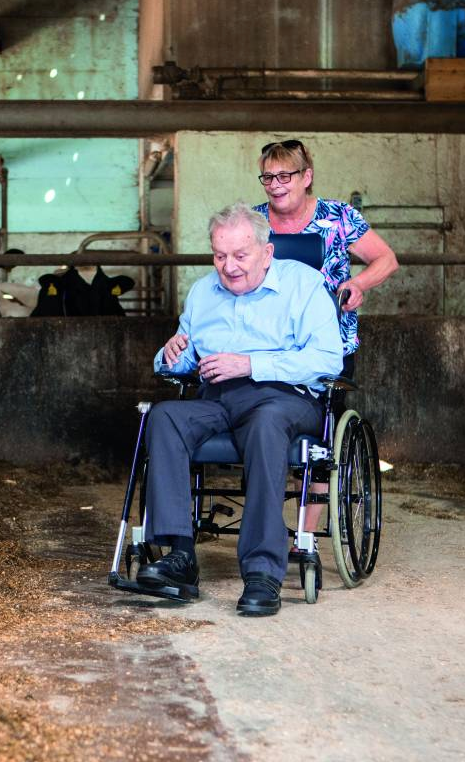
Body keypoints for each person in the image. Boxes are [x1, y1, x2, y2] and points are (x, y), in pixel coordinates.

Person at [137, 203, 343, 617]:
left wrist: (252, 364)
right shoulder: (202, 292)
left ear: (266, 253)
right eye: (219, 255)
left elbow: (328, 359)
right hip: (217, 397)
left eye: (240, 256)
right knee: (163, 417)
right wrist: (171, 354)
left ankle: (263, 573)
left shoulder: (303, 286)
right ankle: (180, 555)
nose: (228, 267)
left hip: (284, 397)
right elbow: (182, 358)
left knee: (267, 425)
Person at [255, 139, 399, 536]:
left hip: (326, 345)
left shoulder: (337, 217)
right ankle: (266, 526)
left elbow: (386, 259)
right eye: (268, 176)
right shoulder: (253, 224)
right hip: (267, 347)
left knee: (320, 439)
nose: (276, 184)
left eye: (285, 175)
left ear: (307, 177)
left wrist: (358, 283)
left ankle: (304, 534)